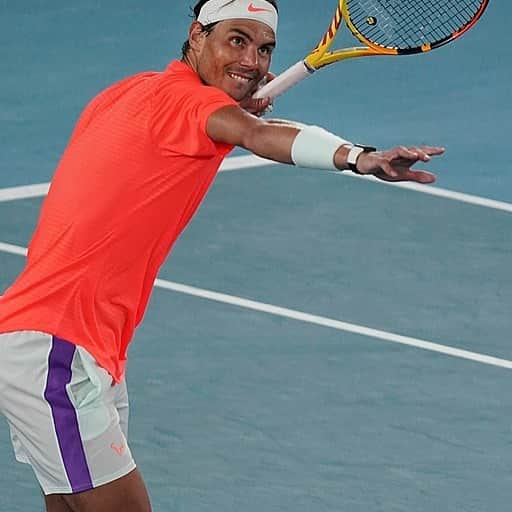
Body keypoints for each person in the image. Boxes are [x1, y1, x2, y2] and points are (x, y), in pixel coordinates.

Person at [0, 0, 444, 510]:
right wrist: (358, 157)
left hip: (70, 345)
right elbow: (260, 136)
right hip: (59, 347)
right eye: (237, 40)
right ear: (197, 36)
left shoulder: (131, 93)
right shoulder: (189, 107)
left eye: (264, 48)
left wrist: (221, 115)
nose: (253, 60)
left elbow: (200, 134)